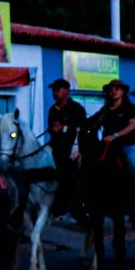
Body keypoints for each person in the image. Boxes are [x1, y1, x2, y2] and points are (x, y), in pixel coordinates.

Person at [89, 78, 135, 187]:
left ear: (123, 92)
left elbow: (133, 125)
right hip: (108, 145)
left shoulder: (129, 108)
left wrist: (115, 135)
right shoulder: (105, 110)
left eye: (117, 89)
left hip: (127, 144)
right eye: (111, 90)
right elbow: (92, 121)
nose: (114, 91)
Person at [46, 78, 88, 216]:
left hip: (73, 150)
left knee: (70, 178)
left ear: (66, 91)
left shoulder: (76, 109)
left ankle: (72, 206)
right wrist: (53, 129)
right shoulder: (53, 109)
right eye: (54, 90)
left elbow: (83, 130)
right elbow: (51, 129)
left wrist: (63, 128)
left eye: (57, 90)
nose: (54, 93)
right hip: (56, 149)